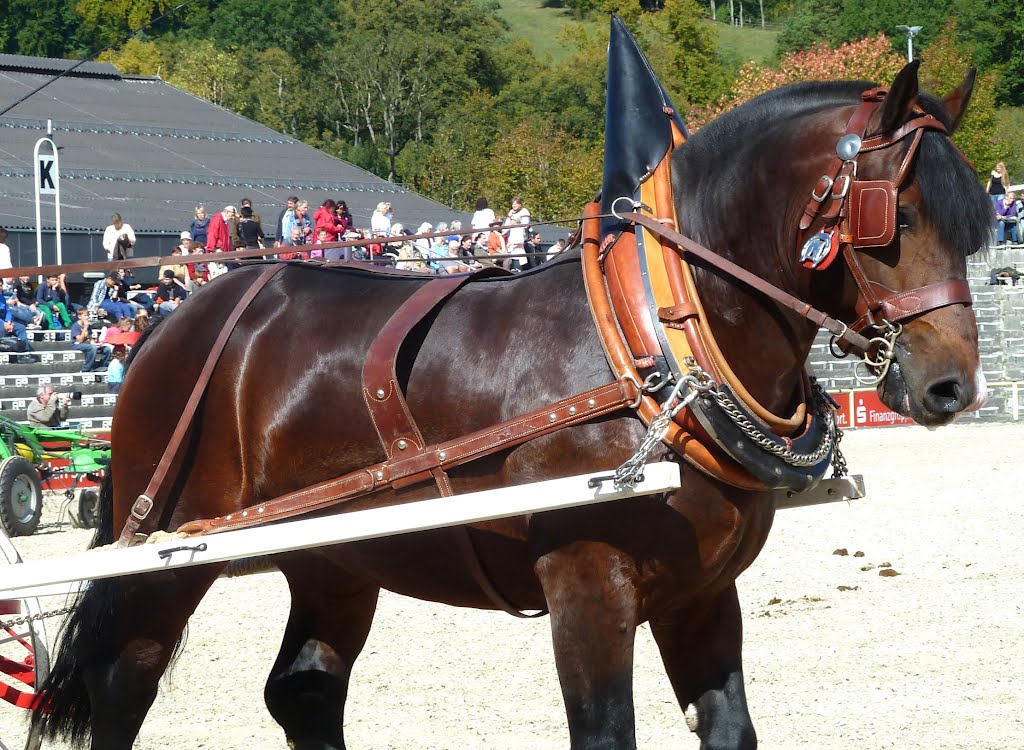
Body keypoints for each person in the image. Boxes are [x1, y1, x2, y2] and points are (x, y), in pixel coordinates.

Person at [69, 307, 108, 372]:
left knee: (107, 349)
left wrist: (96, 344)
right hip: (77, 345)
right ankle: (85, 369)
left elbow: (90, 338)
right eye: (85, 315)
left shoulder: (88, 326)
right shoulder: (75, 326)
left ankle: (101, 366)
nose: (87, 317)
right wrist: (85, 328)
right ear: (79, 316)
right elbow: (79, 340)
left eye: (88, 315)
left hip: (88, 344)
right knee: (92, 348)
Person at [503, 196, 531, 271]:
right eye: (513, 204)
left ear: (520, 204)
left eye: (515, 204)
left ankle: (518, 268)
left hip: (520, 233)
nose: (514, 205)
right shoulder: (511, 212)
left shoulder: (524, 211)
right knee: (511, 251)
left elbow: (526, 224)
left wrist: (516, 223)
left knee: (518, 251)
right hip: (512, 233)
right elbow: (507, 224)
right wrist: (503, 232)